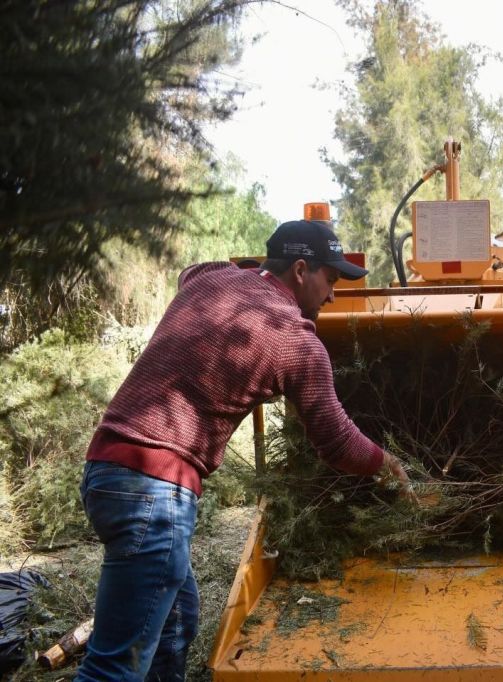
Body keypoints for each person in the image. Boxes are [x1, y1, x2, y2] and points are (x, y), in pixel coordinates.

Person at [75, 219, 413, 681]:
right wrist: (387, 463)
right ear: (300, 270)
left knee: (178, 621)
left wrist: (249, 275)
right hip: (152, 494)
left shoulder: (210, 279)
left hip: (105, 472)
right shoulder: (296, 340)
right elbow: (335, 439)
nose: (333, 295)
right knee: (114, 666)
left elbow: (192, 270)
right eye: (330, 280)